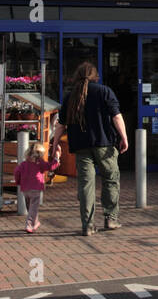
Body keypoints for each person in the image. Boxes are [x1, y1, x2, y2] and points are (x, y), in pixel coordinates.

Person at [49, 62, 128, 236]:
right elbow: (116, 116)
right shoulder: (104, 92)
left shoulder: (71, 96)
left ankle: (88, 225)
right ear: (95, 76)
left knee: (86, 185)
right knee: (111, 179)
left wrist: (54, 146)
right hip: (104, 144)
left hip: (81, 146)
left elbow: (60, 125)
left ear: (77, 76)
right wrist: (124, 137)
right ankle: (111, 218)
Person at [14, 143, 54, 233]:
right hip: (35, 188)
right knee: (33, 208)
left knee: (30, 207)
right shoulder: (40, 163)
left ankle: (34, 222)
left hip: (25, 188)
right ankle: (30, 225)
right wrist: (57, 159)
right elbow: (50, 166)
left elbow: (16, 172)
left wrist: (18, 181)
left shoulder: (23, 164)